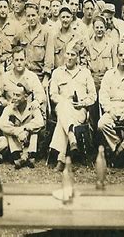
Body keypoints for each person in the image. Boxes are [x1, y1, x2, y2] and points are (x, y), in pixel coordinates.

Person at [49, 41, 96, 171]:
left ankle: (61, 157)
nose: (69, 57)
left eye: (73, 55)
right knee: (64, 106)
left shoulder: (85, 73)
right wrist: (65, 101)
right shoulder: (57, 73)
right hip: (62, 107)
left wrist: (82, 103)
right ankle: (71, 138)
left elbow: (93, 96)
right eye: (68, 54)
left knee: (62, 120)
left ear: (78, 57)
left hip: (79, 110)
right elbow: (53, 95)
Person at [1, 83, 45, 169]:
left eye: (17, 95)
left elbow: (40, 122)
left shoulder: (33, 107)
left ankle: (29, 155)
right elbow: (2, 124)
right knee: (8, 131)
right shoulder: (9, 108)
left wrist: (25, 129)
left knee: (34, 130)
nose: (14, 98)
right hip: (16, 140)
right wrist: (17, 132)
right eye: (13, 95)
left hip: (28, 140)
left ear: (25, 97)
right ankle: (18, 157)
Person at [13, 2, 54, 85]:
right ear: (25, 17)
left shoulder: (46, 33)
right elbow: (13, 47)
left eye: (33, 15)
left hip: (39, 76)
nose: (31, 18)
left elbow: (49, 58)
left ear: (38, 15)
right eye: (28, 16)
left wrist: (46, 78)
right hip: (24, 74)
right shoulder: (21, 32)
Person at [0, 46, 46, 115]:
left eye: (21, 60)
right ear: (12, 61)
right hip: (10, 112)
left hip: (27, 113)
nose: (19, 63)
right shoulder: (5, 77)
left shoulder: (32, 76)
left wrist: (36, 101)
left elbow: (40, 94)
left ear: (25, 60)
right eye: (16, 60)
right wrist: (4, 102)